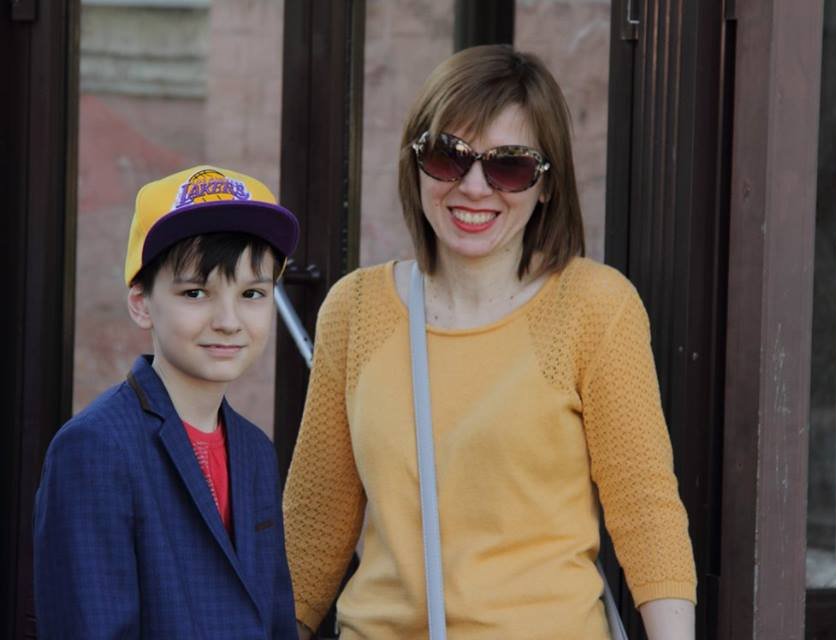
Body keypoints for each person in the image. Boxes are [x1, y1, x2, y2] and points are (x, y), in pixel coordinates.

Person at [283, 45, 696, 640]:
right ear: (415, 165)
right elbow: (314, 525)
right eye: (447, 156)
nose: (475, 187)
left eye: (510, 167)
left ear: (546, 186)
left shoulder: (594, 306)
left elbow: (645, 510)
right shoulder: (356, 308)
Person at [34, 166, 300, 639]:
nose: (228, 320)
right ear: (141, 303)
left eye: (252, 293)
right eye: (195, 292)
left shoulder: (255, 450)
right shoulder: (95, 448)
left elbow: (276, 621)